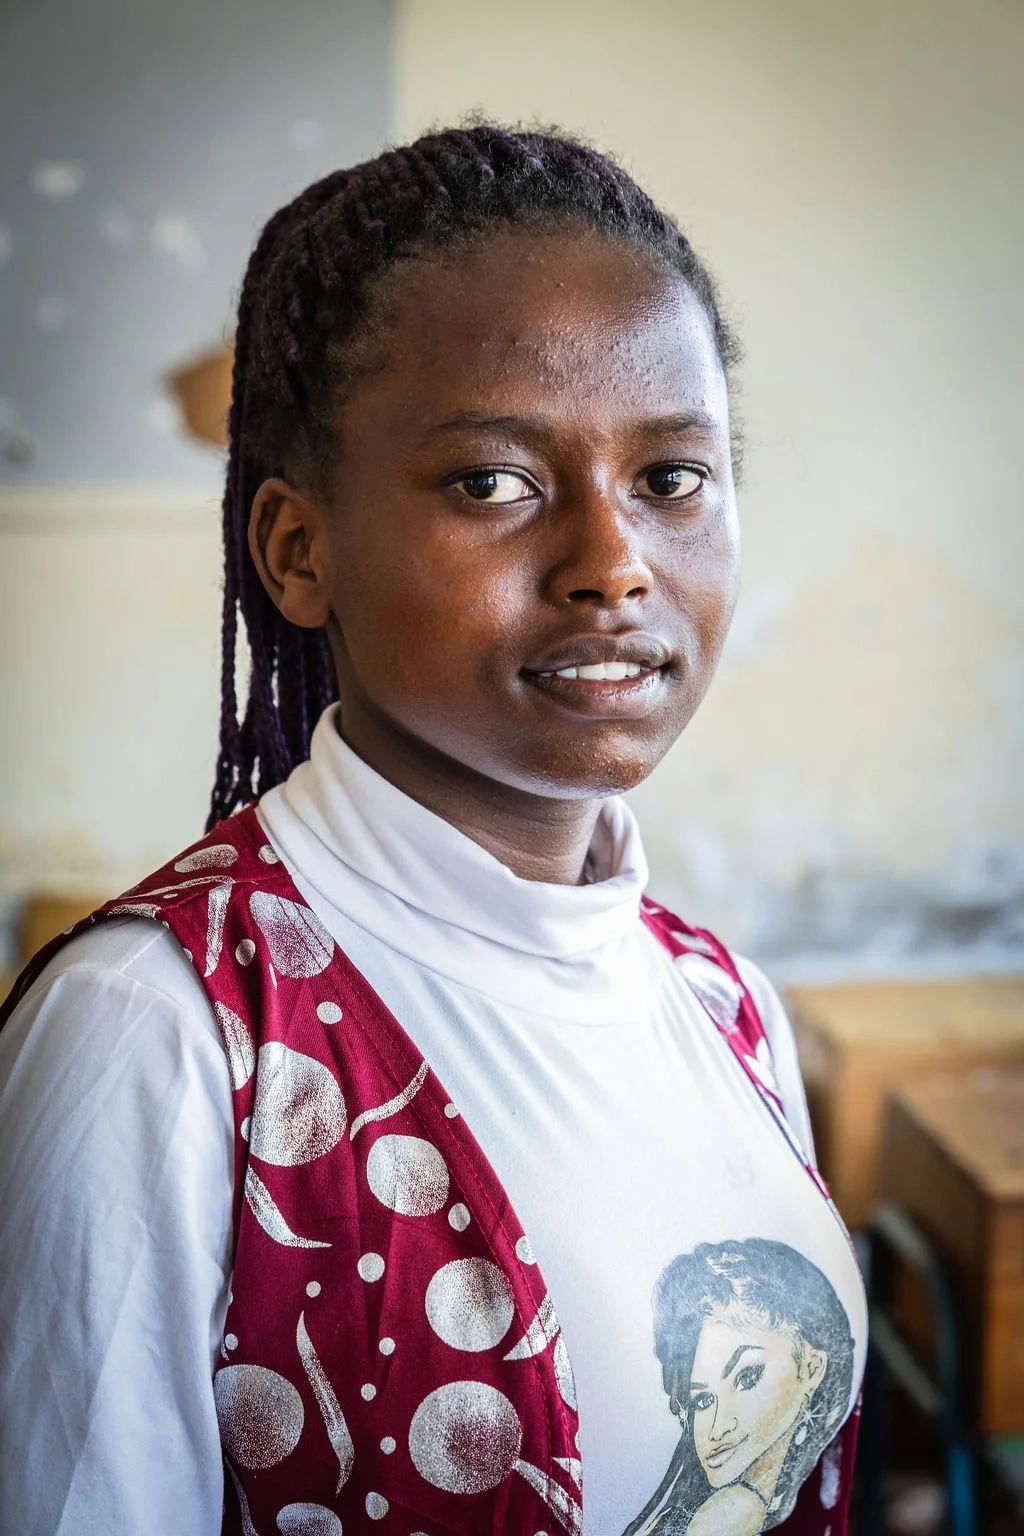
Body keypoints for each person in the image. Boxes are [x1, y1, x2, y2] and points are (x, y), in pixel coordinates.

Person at [0, 125, 866, 1535]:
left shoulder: (724, 1004)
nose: (613, 564)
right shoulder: (160, 1039)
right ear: (299, 550)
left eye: (673, 478)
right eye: (493, 484)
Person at [624, 1240, 856, 1534]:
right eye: (703, 1401)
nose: (717, 1429)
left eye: (747, 1377)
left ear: (811, 1366)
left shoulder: (741, 1508)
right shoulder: (731, 1511)